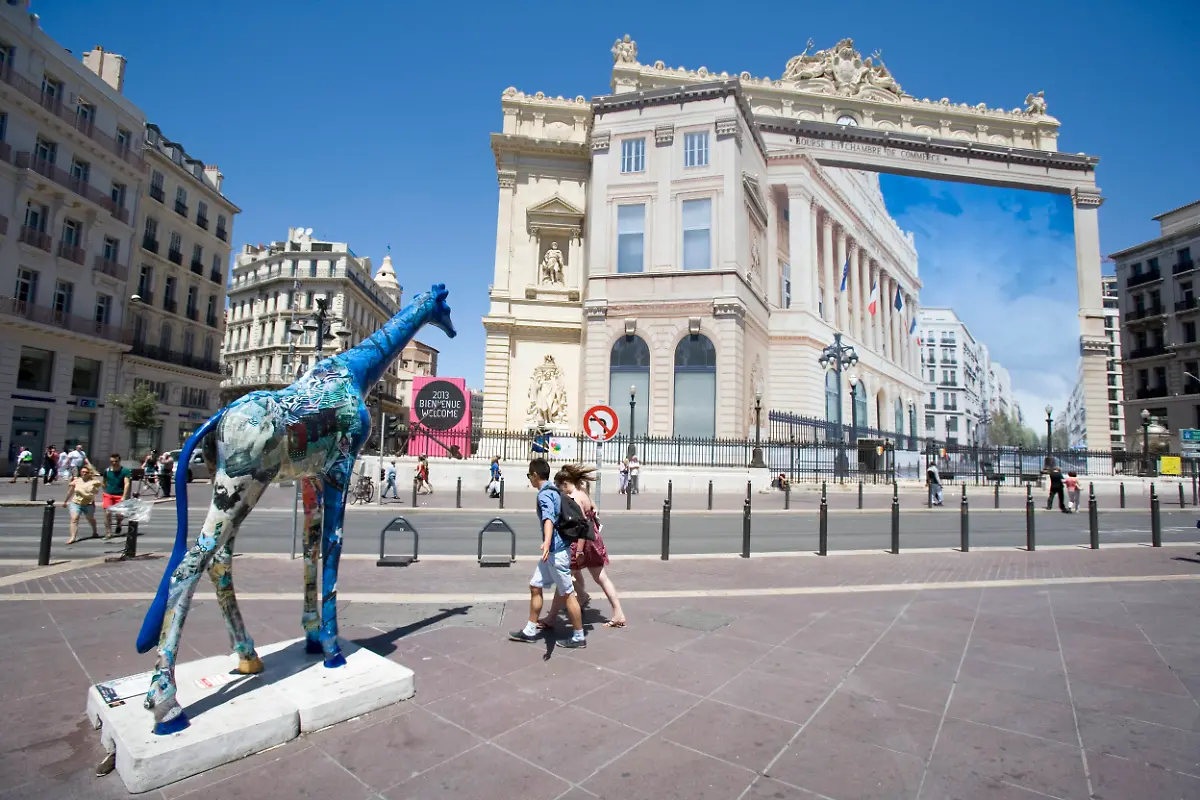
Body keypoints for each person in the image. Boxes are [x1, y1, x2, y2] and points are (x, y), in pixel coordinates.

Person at [510, 458, 586, 648]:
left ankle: (578, 637)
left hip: (555, 552)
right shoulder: (554, 489)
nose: (529, 479)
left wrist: (546, 541)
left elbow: (549, 518)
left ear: (535, 475)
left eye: (529, 476)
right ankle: (529, 630)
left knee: (568, 594)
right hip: (553, 552)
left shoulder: (545, 495)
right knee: (535, 585)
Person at [539, 464, 626, 629]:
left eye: (559, 487)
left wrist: (579, 550)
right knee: (600, 578)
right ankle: (618, 612)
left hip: (581, 542)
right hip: (594, 541)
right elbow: (593, 510)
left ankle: (552, 617)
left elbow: (580, 527)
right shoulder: (583, 493)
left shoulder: (575, 498)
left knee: (563, 580)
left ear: (565, 483)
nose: (559, 491)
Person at [62, 464, 102, 544]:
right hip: (76, 503)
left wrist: (94, 487)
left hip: (88, 504)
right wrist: (65, 501)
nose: (84, 473)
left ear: (89, 473)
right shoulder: (76, 481)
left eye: (86, 472)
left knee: (90, 518)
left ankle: (95, 531)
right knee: (74, 518)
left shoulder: (93, 482)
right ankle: (73, 537)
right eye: (82, 472)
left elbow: (95, 493)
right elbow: (70, 491)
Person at [102, 454, 132, 539]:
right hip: (109, 494)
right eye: (112, 462)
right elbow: (103, 482)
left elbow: (127, 484)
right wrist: (105, 490)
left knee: (119, 514)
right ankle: (108, 533)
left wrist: (124, 496)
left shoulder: (125, 471)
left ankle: (119, 523)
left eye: (116, 461)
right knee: (107, 513)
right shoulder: (107, 471)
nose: (114, 463)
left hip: (119, 495)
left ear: (119, 461)